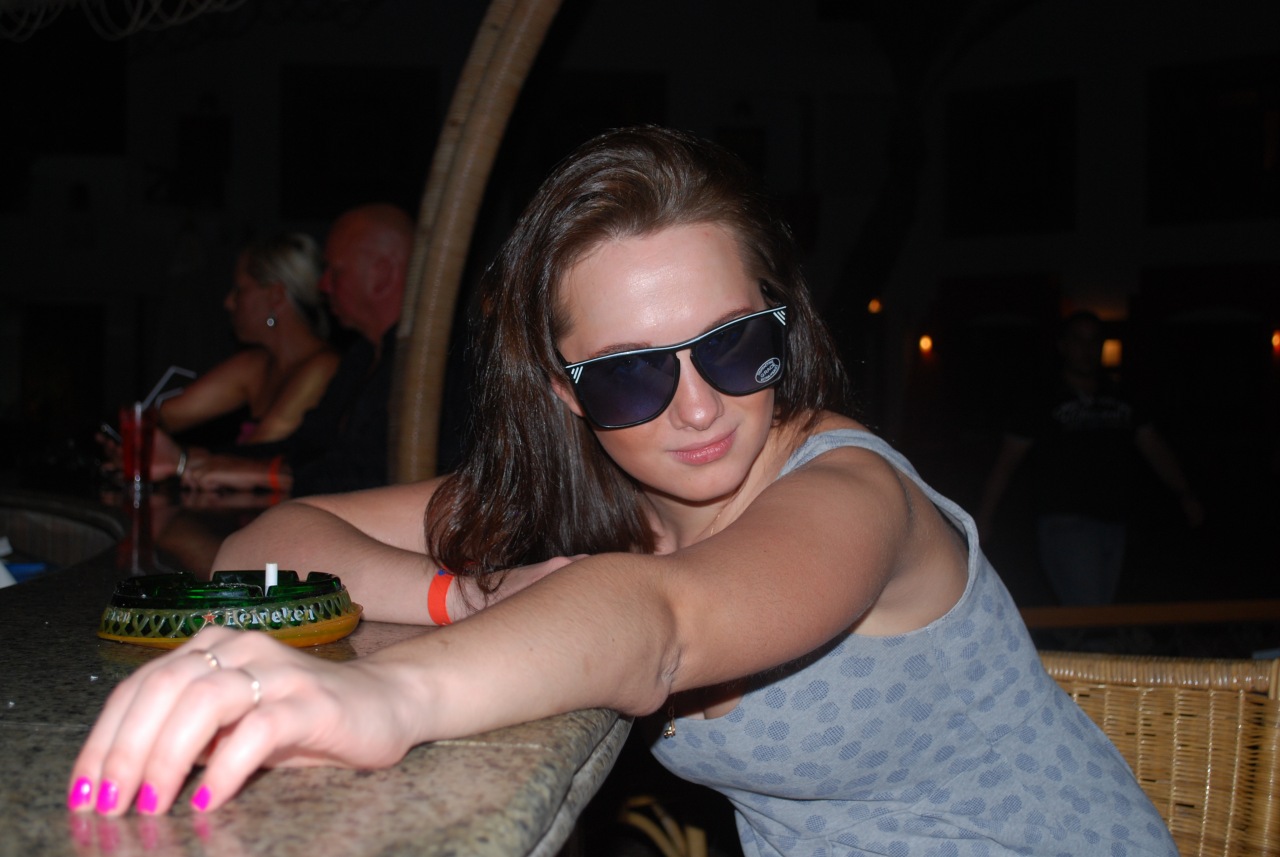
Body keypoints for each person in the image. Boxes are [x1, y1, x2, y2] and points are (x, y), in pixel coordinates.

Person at [70, 128, 1177, 856]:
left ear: (782, 328)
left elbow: (660, 622)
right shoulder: (598, 497)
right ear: (564, 394)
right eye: (633, 373)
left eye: (734, 345)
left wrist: (386, 698)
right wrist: (468, 591)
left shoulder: (852, 494)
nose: (695, 406)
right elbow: (267, 543)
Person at [160, 203, 413, 496]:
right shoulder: (361, 357)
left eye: (334, 271)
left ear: (382, 274)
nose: (323, 285)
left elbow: (374, 477)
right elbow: (304, 449)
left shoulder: (421, 366)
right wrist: (191, 460)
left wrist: (263, 473)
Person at [976, 310, 1203, 606]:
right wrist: (984, 517)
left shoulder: (1119, 395)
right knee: (1090, 608)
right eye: (1078, 340)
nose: (1087, 348)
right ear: (1063, 346)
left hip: (1114, 520)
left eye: (1094, 340)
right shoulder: (1044, 398)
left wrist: (1185, 493)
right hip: (1066, 521)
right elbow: (1006, 463)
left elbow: (1155, 448)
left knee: (1100, 612)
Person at [155, 232, 339, 446]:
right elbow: (163, 416)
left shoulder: (323, 367)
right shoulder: (256, 364)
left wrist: (183, 460)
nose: (228, 302)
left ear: (275, 295)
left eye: (239, 289)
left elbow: (262, 450)